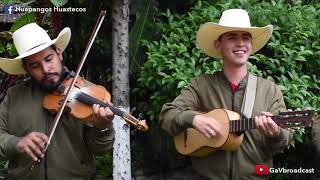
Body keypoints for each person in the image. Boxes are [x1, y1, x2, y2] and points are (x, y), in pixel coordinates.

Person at [159, 9, 291, 179]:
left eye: (246, 37)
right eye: (232, 37)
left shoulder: (269, 90)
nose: (240, 43)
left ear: (251, 46)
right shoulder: (202, 85)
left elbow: (283, 142)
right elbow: (167, 115)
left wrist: (276, 134)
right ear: (218, 45)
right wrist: (193, 119)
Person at [0, 23, 115, 180]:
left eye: (49, 59)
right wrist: (17, 143)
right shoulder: (14, 96)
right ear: (26, 69)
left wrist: (103, 128)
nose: (46, 69)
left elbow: (101, 149)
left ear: (58, 53)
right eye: (35, 66)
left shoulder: (88, 92)